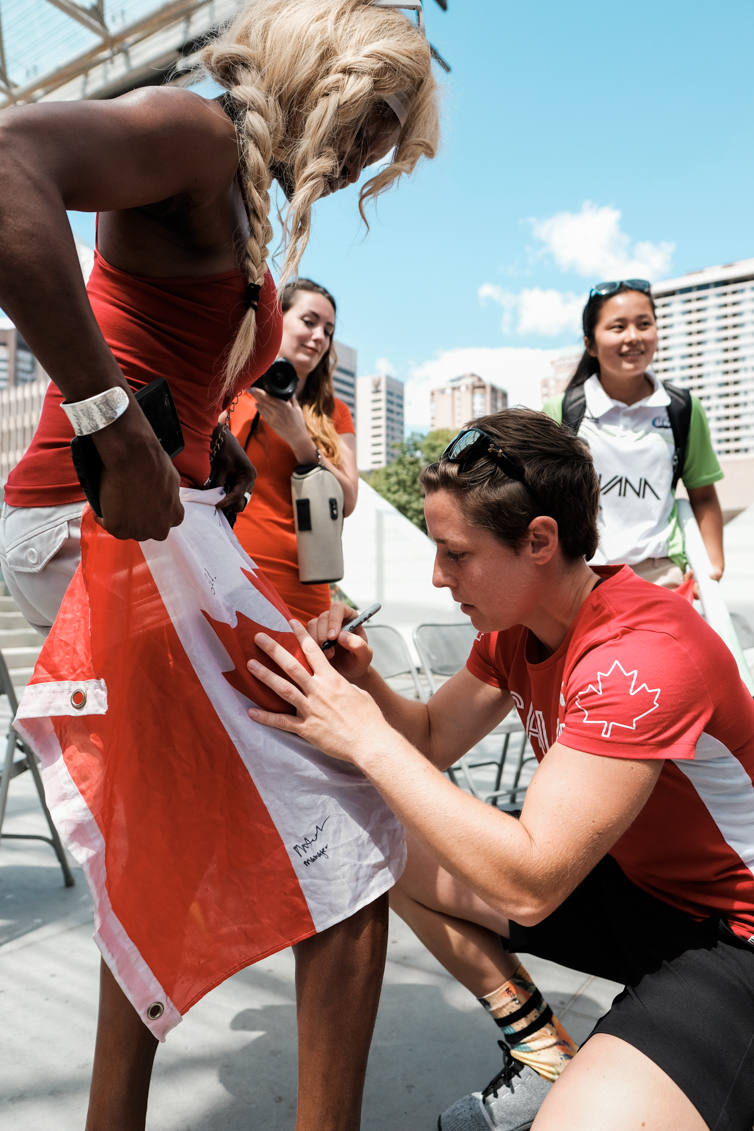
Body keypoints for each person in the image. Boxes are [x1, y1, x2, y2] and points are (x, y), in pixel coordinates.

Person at [0, 2, 439, 1128]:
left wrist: (219, 445)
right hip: (94, 520)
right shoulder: (193, 133)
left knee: (164, 841)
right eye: (369, 123)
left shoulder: (238, 206)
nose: (362, 159)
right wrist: (114, 423)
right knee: (352, 829)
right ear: (321, 78)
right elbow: (8, 163)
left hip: (163, 521)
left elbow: (181, 354)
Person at [247, 408, 754, 1131]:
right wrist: (367, 687)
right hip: (643, 894)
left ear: (540, 540)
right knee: (377, 837)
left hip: (735, 930)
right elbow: (427, 737)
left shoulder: (641, 651)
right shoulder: (516, 629)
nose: (436, 572)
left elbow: (532, 881)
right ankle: (542, 1047)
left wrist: (365, 740)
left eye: (456, 554)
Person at [543, 280, 724, 590]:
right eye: (617, 327)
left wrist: (713, 567)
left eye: (644, 324)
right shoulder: (561, 410)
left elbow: (703, 495)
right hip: (583, 576)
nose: (633, 337)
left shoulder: (683, 408)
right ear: (590, 344)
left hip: (662, 576)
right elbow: (542, 500)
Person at [230, 278, 358, 623]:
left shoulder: (336, 411)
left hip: (303, 585)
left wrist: (302, 442)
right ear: (276, 318)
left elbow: (348, 500)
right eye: (309, 321)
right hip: (223, 574)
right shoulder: (229, 390)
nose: (320, 337)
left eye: (329, 330)